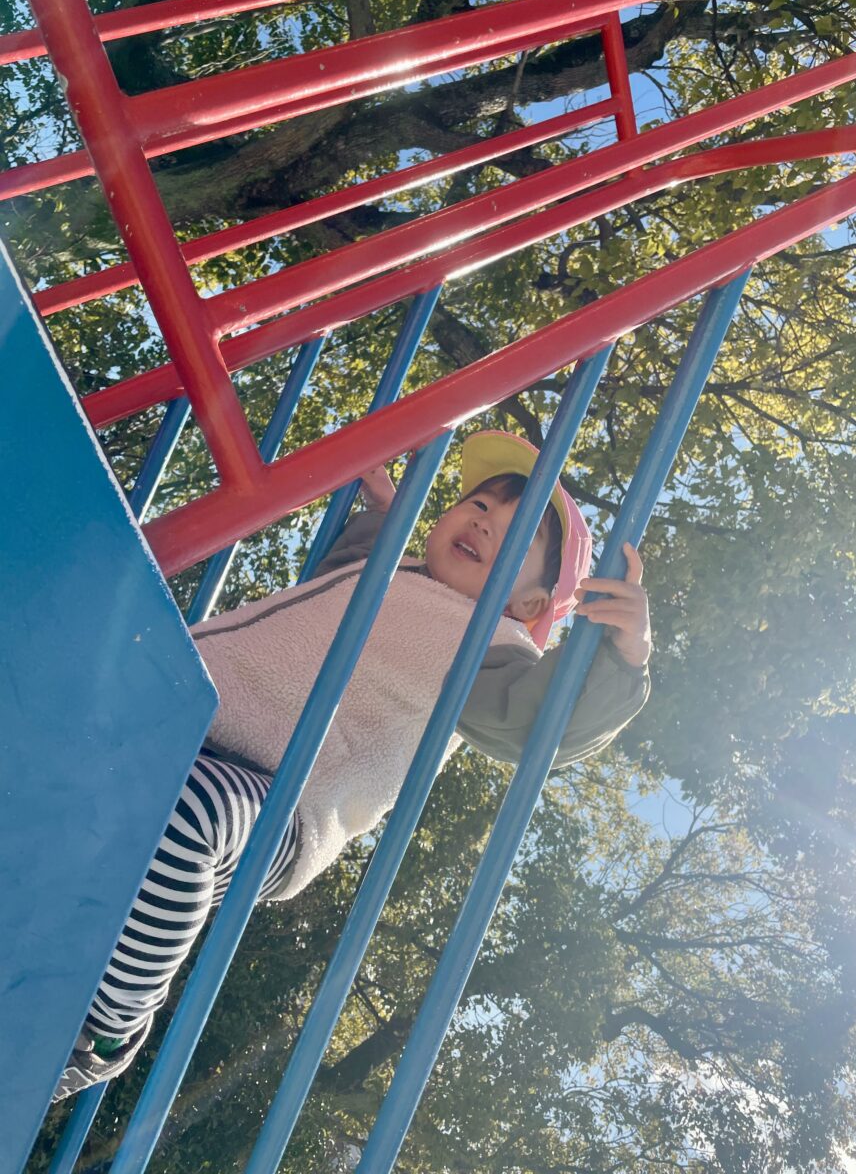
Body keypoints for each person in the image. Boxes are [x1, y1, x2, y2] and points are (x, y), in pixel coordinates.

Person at [54, 431, 651, 1100]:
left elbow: (539, 720)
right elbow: (339, 575)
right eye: (479, 504)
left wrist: (621, 657)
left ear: (530, 606)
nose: (484, 521)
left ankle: (103, 1030)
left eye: (514, 533)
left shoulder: (491, 644)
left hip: (278, 806)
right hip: (176, 728)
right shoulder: (388, 571)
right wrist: (384, 510)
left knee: (194, 813)